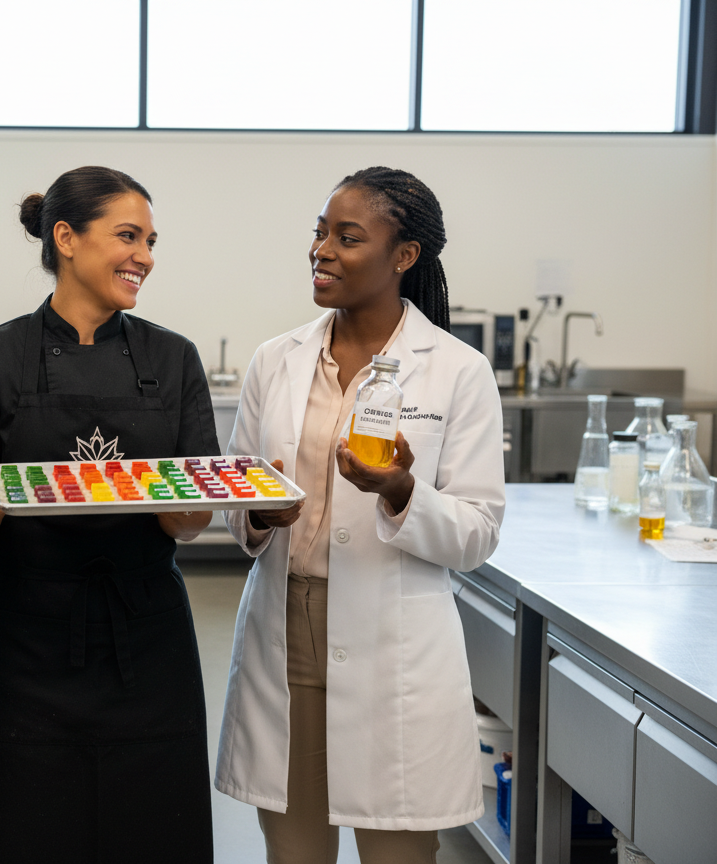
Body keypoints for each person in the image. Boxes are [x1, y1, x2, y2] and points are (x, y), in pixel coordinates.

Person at [214, 167, 506, 864]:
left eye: (347, 237)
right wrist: (258, 512)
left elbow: (477, 532)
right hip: (285, 637)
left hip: (393, 648)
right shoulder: (274, 362)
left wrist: (403, 490)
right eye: (319, 233)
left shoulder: (456, 371)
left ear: (402, 256)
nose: (322, 250)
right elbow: (236, 502)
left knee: (398, 853)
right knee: (294, 852)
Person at [0, 166, 217, 863]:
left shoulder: (174, 359)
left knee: (153, 828)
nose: (145, 256)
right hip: (26, 635)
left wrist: (191, 502)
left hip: (145, 628)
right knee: (19, 827)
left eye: (151, 240)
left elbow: (189, 522)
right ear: (66, 237)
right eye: (128, 236)